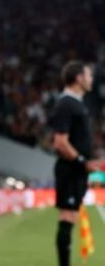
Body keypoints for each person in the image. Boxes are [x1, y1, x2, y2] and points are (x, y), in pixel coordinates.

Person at [50, 61, 100, 266]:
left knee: (72, 217)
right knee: (67, 216)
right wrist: (82, 161)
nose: (91, 79)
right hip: (70, 170)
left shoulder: (77, 103)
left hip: (77, 170)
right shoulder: (66, 103)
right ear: (79, 78)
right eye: (88, 75)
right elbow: (59, 142)